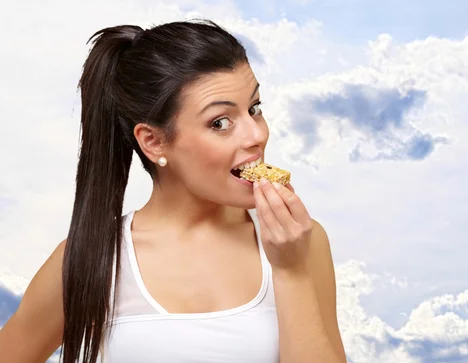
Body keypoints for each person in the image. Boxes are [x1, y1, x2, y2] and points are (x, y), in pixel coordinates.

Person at [0, 20, 346, 363]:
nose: (256, 135)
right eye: (220, 123)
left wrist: (291, 271)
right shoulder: (91, 259)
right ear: (153, 141)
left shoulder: (301, 242)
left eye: (254, 108)